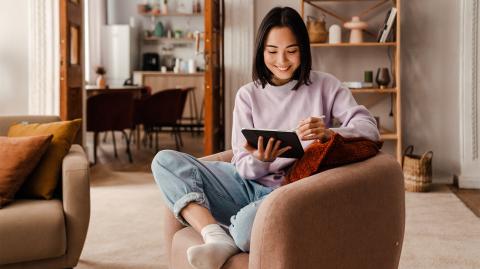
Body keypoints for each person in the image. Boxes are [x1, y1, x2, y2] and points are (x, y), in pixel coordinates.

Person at [151, 6, 380, 269]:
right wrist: (261, 159)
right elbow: (242, 165)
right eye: (272, 51)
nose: (282, 60)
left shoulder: (326, 86)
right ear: (261, 51)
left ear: (303, 50)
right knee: (164, 161)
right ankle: (214, 235)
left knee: (247, 230)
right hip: (244, 184)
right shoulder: (248, 95)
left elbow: (368, 128)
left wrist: (330, 133)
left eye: (291, 51)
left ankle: (230, 232)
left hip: (288, 193)